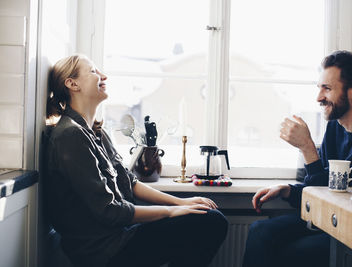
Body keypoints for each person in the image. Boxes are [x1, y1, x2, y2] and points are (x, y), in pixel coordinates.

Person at [45, 54, 228, 267]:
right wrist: (171, 212)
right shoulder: (70, 136)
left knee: (207, 216)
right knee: (211, 223)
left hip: (121, 235)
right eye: (94, 71)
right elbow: (110, 212)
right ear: (72, 83)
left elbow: (130, 182)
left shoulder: (96, 132)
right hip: (104, 250)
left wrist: (181, 202)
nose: (103, 76)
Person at [242, 50, 352, 267]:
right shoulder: (335, 128)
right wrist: (287, 189)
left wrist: (307, 148)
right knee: (259, 231)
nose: (318, 97)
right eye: (319, 88)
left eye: (327, 88)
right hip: (329, 220)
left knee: (291, 254)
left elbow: (332, 198)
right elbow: (321, 188)